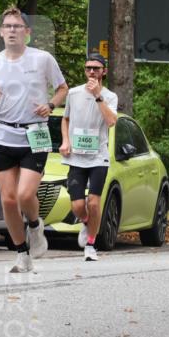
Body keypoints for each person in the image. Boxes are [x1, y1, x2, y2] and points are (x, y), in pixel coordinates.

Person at [0, 7, 68, 273]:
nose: (12, 30)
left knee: (25, 193)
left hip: (35, 134)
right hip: (5, 134)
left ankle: (36, 227)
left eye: (18, 26)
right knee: (8, 200)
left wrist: (50, 105)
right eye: (8, 26)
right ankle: (21, 254)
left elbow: (62, 88)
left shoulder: (42, 59)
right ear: (1, 32)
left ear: (27, 32)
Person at [59, 53, 118, 261]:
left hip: (98, 156)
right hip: (76, 157)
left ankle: (91, 245)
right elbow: (65, 119)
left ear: (104, 71)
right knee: (77, 206)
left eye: (96, 68)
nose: (91, 71)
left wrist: (98, 96)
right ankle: (86, 222)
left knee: (93, 203)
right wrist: (65, 141)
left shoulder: (110, 96)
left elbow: (111, 121)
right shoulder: (74, 93)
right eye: (88, 68)